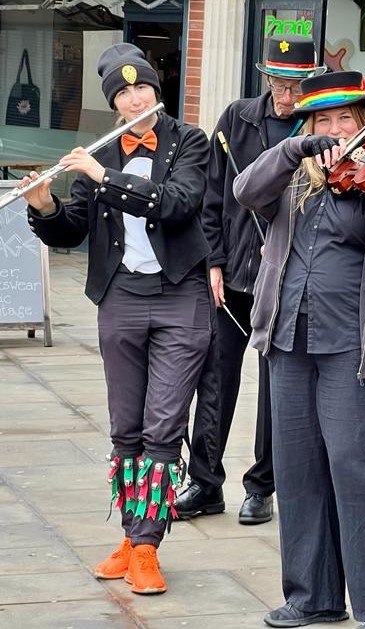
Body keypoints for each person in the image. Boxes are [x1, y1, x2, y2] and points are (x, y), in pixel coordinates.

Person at [233, 70, 365, 629]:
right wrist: (293, 149)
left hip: (358, 346)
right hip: (290, 339)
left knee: (355, 468)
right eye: (325, 120)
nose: (339, 129)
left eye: (347, 117)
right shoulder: (292, 177)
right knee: (298, 469)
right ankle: (312, 596)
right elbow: (244, 190)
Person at [21, 43, 211, 595]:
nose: (134, 98)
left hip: (180, 296)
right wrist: (44, 205)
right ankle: (132, 537)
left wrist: (103, 176)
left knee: (163, 425)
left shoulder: (189, 142)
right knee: (126, 426)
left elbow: (177, 204)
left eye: (142, 87)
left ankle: (148, 546)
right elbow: (72, 230)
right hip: (121, 295)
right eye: (123, 93)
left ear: (157, 90)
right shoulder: (100, 154)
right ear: (114, 102)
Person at [176, 34, 325, 526]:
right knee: (215, 379)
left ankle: (262, 485)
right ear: (265, 78)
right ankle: (205, 480)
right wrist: (213, 262)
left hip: (286, 278)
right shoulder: (236, 119)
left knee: (274, 390)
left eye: (297, 86)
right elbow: (212, 198)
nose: (287, 97)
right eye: (279, 85)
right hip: (234, 274)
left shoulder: (320, 129)